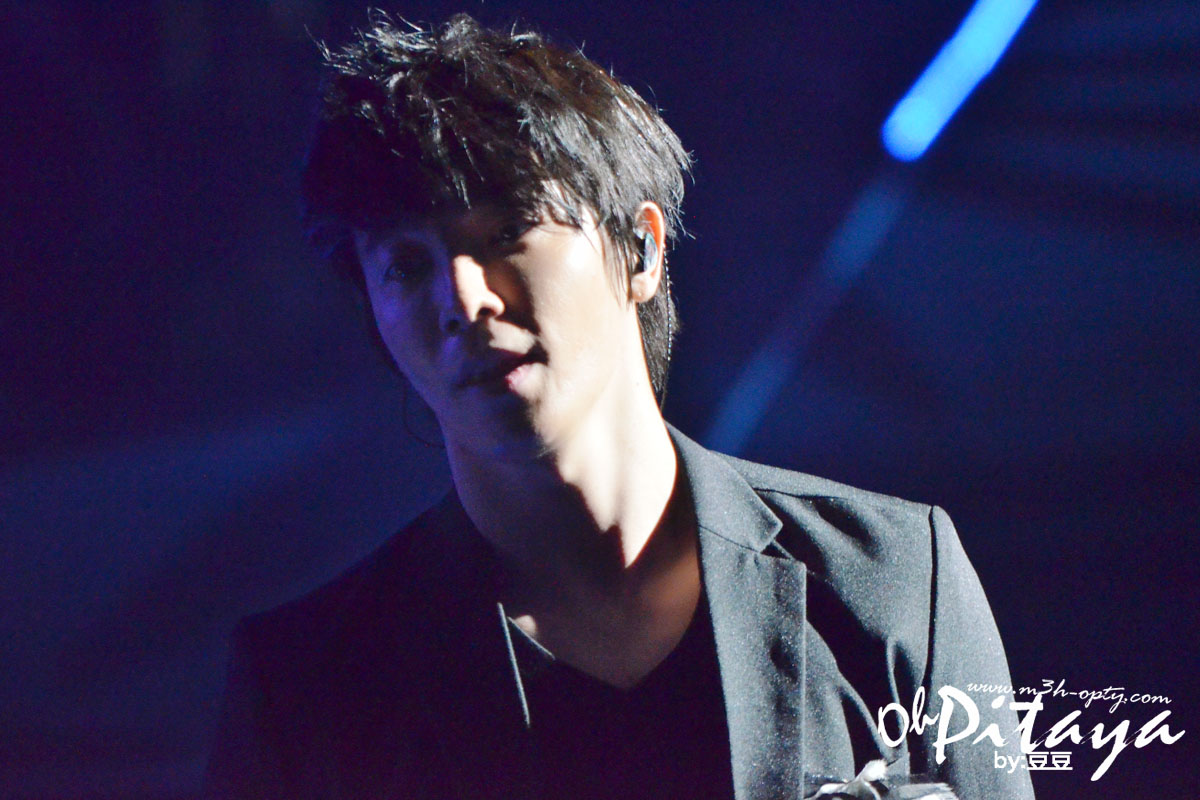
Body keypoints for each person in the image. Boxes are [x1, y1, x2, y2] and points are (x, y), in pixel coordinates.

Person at [205, 13, 1034, 800]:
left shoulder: (889, 580)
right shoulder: (307, 690)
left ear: (640, 250)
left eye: (506, 231)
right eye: (407, 266)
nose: (464, 299)